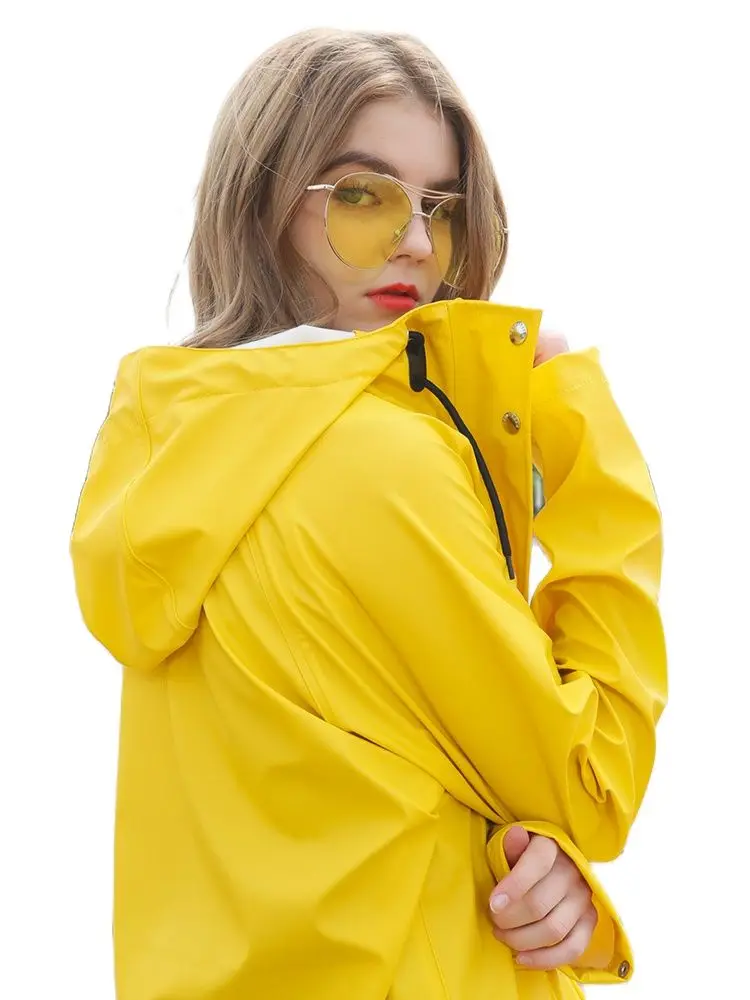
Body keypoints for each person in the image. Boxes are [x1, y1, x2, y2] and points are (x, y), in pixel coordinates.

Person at [70, 27, 668, 1000]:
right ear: (262, 203)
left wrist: (532, 858)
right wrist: (581, 435)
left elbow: (387, 767)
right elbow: (590, 780)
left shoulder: (172, 452)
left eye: (443, 207)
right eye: (362, 194)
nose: (418, 244)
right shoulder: (376, 461)